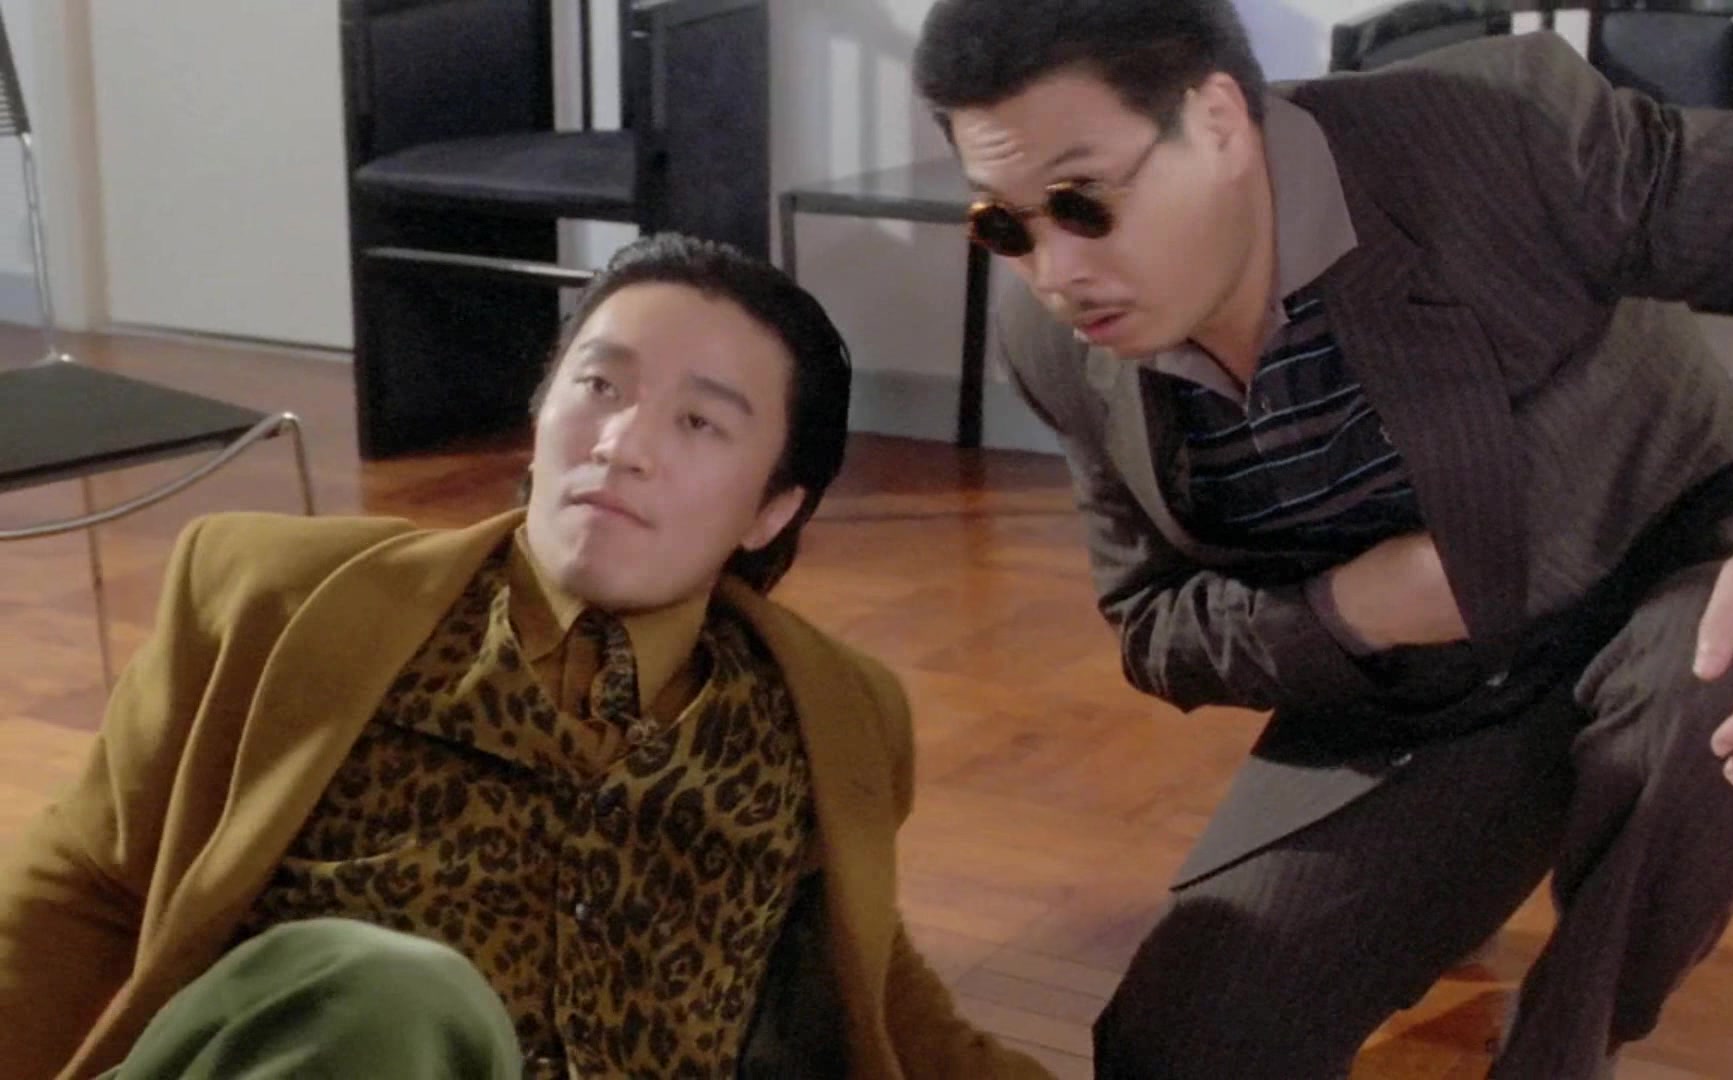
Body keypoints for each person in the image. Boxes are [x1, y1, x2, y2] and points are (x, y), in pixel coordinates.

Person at [911, 2, 1733, 1076]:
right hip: (1420, 704)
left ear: (1217, 120)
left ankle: (1565, 1048)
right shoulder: (1056, 347)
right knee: (1186, 1047)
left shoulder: (1488, 135)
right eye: (1006, 226)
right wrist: (1349, 612)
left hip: (1664, 579)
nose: (1054, 273)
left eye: (1083, 202)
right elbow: (1154, 627)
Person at [0, 233, 1050, 1080]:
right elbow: (81, 884)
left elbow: (881, 999)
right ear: (540, 413)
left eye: (699, 422)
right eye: (599, 386)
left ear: (771, 510)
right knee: (391, 993)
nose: (621, 444)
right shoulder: (278, 601)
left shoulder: (827, 716)